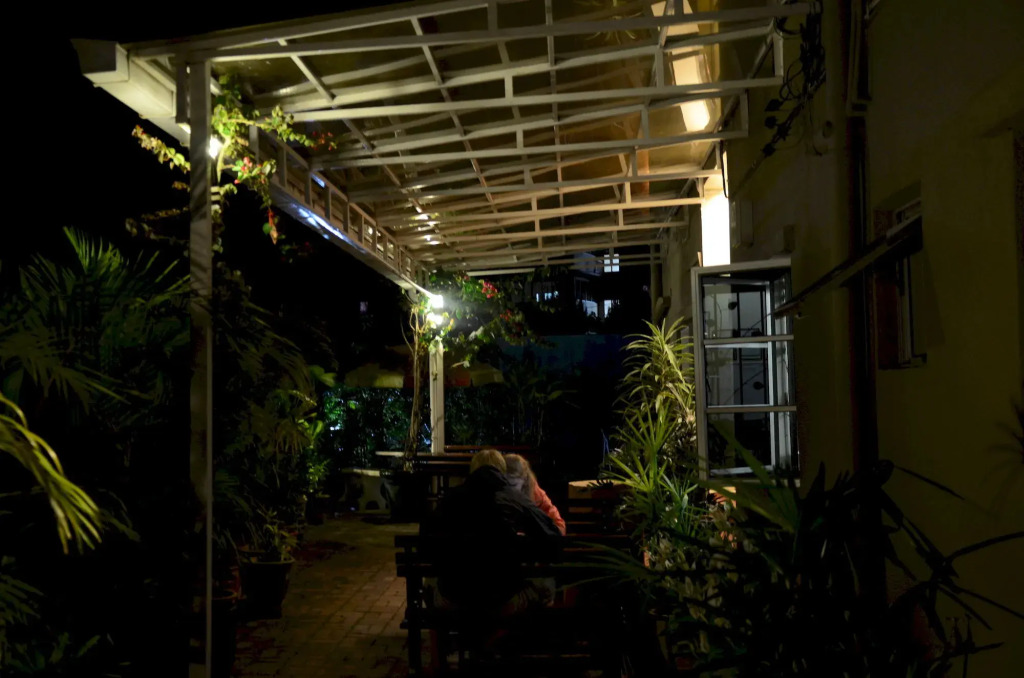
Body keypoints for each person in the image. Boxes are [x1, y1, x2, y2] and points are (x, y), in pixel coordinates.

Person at [420, 449, 561, 615]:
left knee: (429, 583)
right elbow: (552, 537)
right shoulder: (516, 499)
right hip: (504, 599)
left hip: (453, 597)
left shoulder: (449, 498)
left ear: (473, 470)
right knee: (544, 587)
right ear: (502, 471)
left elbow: (426, 545)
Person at [504, 454, 566, 536]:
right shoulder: (496, 493)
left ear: (524, 480)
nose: (509, 489)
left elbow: (559, 527)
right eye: (505, 484)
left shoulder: (537, 495)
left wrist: (533, 535)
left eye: (514, 485)